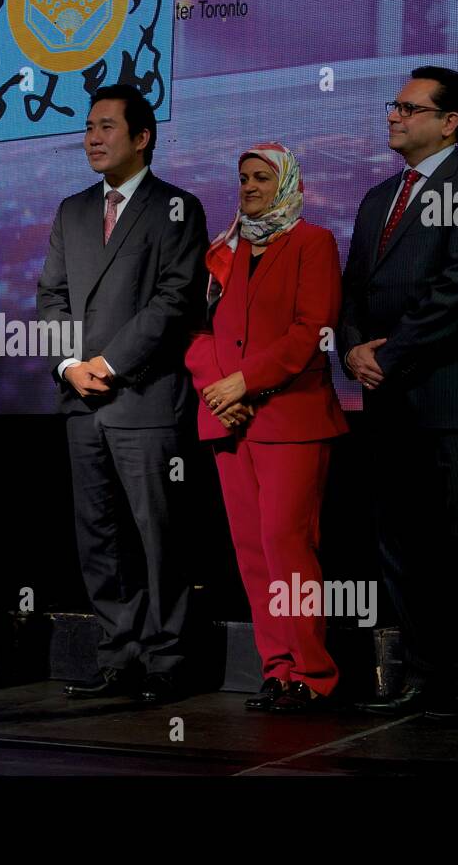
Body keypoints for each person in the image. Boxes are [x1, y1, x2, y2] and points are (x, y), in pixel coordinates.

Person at [336, 66, 458, 718]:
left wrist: (389, 357)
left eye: (409, 108)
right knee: (402, 545)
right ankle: (425, 676)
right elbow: (352, 289)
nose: (394, 115)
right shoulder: (375, 198)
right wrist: (352, 344)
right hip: (388, 405)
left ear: (450, 122)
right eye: (395, 105)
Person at [36, 83, 208, 705]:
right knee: (99, 535)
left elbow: (173, 301)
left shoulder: (177, 209)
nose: (92, 137)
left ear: (142, 138)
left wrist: (106, 362)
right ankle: (119, 654)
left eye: (107, 127)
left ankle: (168, 658)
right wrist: (66, 365)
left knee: (159, 536)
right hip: (81, 402)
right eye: (88, 127)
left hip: (145, 399)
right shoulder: (71, 210)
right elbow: (50, 295)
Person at [185, 143, 348, 713]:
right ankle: (277, 670)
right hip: (229, 424)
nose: (249, 186)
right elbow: (199, 333)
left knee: (287, 545)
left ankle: (314, 674)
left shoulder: (313, 242)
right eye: (243, 178)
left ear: (285, 183)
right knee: (252, 552)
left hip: (290, 419)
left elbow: (311, 332)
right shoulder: (223, 251)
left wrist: (243, 384)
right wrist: (218, 390)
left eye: (261, 177)